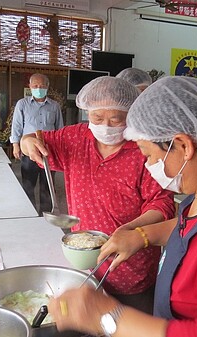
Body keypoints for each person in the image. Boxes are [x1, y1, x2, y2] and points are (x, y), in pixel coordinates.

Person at [45, 76, 197, 337]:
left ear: (184, 145)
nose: (150, 167)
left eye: (150, 155)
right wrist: (143, 236)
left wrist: (108, 316)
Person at [20, 76, 175, 313]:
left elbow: (162, 204)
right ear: (87, 113)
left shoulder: (144, 148)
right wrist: (27, 142)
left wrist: (130, 230)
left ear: (131, 115)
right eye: (97, 118)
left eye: (116, 119)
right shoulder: (75, 138)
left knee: (127, 323)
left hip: (130, 266)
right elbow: (32, 139)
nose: (106, 126)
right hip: (84, 261)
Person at [10, 73, 64, 213]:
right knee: (28, 183)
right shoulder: (22, 104)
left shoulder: (54, 106)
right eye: (35, 86)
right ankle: (29, 212)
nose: (38, 88)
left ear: (47, 87)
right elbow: (16, 126)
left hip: (49, 151)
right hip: (29, 150)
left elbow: (60, 128)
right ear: (30, 87)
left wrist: (61, 150)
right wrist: (15, 144)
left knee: (47, 185)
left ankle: (45, 214)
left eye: (42, 86)